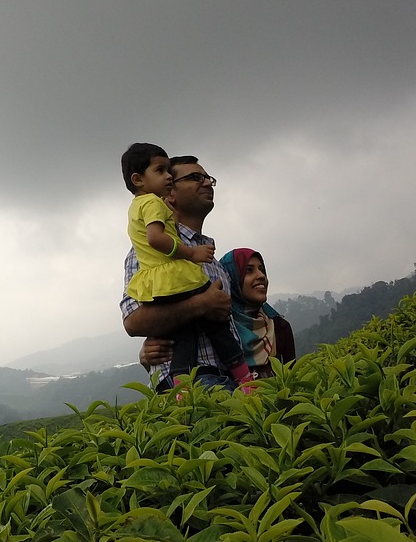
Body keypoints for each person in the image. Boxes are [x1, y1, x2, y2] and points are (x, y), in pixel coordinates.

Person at [120, 144, 253, 391]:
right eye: (194, 178)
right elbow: (133, 321)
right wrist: (202, 304)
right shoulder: (152, 253)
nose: (206, 183)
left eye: (208, 178)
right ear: (170, 194)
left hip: (229, 379)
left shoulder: (213, 260)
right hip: (192, 382)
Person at [218, 248, 297, 379]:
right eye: (249, 270)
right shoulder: (220, 328)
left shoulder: (280, 327)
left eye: (262, 270)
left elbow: (294, 380)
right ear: (230, 278)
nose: (261, 276)